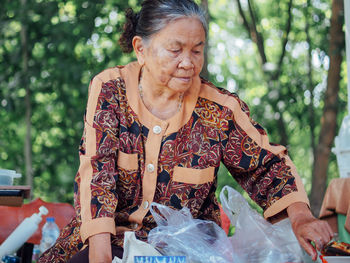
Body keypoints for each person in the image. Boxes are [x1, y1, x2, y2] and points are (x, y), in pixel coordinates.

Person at [38, 0, 333, 262]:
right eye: (175, 49)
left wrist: (301, 218)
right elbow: (97, 174)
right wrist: (100, 254)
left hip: (183, 251)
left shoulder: (219, 110)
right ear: (141, 49)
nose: (188, 63)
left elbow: (267, 167)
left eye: (197, 50)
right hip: (105, 242)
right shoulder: (110, 90)